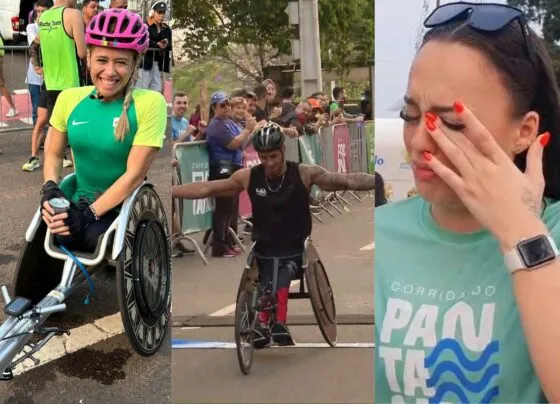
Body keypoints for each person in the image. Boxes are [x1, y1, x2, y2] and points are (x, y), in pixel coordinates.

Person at [375, 3, 560, 403]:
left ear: (525, 131)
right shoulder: (382, 234)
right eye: (410, 115)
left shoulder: (553, 234)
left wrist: (521, 229)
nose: (421, 143)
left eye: (453, 123)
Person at [172, 122, 374, 347]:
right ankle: (265, 320)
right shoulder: (249, 177)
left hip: (296, 249)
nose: (269, 163)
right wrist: (168, 192)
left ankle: (276, 321)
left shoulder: (304, 173)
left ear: (283, 151)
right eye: (264, 157)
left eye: (273, 157)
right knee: (268, 268)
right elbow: (207, 188)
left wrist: (380, 181)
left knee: (285, 268)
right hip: (264, 248)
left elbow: (346, 181)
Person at [40, 9, 166, 253]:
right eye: (101, 60)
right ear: (88, 58)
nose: (109, 72)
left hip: (118, 206)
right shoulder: (69, 99)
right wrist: (50, 189)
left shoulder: (150, 103)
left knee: (93, 240)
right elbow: (54, 155)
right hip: (77, 198)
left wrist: (88, 215)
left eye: (121, 62)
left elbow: (134, 175)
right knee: (55, 235)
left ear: (134, 64)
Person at [204, 91, 259, 258]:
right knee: (222, 208)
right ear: (214, 107)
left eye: (228, 103)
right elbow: (232, 144)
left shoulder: (228, 122)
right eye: (223, 104)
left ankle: (227, 241)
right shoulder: (216, 125)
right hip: (221, 168)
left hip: (232, 166)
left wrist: (249, 131)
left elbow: (243, 142)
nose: (227, 107)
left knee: (229, 208)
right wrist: (248, 130)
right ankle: (219, 246)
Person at [22, 0, 53, 172]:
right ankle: (38, 148)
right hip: (36, 78)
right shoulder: (32, 27)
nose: (39, 14)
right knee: (38, 114)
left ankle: (52, 146)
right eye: (37, 11)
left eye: (43, 11)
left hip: (53, 79)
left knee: (54, 117)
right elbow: (33, 45)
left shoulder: (51, 25)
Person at [137, 1, 172, 92]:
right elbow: (142, 41)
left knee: (156, 91)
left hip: (159, 64)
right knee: (142, 90)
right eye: (159, 12)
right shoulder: (144, 26)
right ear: (152, 13)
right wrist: (157, 44)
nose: (162, 15)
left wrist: (165, 44)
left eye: (163, 13)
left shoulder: (166, 28)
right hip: (146, 63)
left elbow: (170, 45)